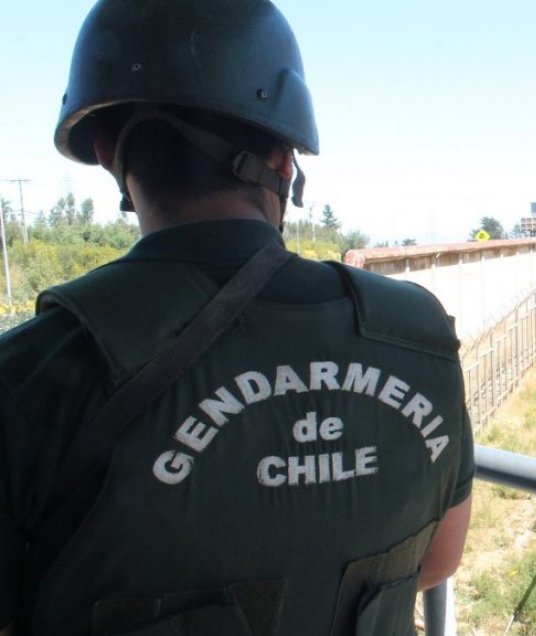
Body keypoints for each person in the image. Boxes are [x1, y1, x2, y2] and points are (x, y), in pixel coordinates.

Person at [0, 2, 474, 634]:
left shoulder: (31, 373)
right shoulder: (417, 336)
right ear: (284, 160)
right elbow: (439, 560)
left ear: (108, 150)